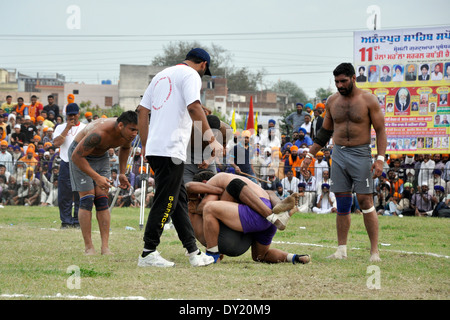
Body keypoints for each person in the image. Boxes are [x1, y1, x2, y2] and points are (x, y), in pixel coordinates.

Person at [136, 48, 224, 268]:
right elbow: (194, 106)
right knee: (165, 199)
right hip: (170, 148)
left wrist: (146, 144)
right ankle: (148, 252)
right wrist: (211, 139)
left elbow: (141, 111)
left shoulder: (160, 75)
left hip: (157, 147)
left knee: (178, 199)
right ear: (203, 64)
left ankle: (193, 252)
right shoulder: (191, 75)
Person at [301, 63, 387, 262]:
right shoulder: (332, 101)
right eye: (337, 82)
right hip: (338, 153)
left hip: (361, 153)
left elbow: (381, 130)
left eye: (343, 81)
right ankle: (341, 250)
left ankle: (374, 251)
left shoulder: (368, 100)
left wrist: (380, 159)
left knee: (366, 201)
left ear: (353, 78)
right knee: (342, 201)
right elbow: (324, 133)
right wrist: (309, 156)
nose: (339, 85)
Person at [185, 171, 307, 264]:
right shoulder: (229, 179)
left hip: (257, 214)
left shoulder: (214, 181)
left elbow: (203, 204)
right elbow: (269, 193)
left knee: (209, 208)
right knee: (260, 256)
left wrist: (199, 205)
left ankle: (212, 254)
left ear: (204, 183)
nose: (202, 196)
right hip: (267, 213)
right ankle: (295, 257)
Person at [69, 111, 138, 255]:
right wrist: (96, 177)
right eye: (132, 129)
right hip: (80, 155)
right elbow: (76, 156)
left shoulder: (127, 134)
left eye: (136, 130)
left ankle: (105, 247)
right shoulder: (99, 133)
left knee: (102, 199)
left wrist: (121, 173)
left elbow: (125, 148)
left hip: (101, 157)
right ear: (120, 125)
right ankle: (89, 247)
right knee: (87, 199)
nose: (134, 133)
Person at [52, 103, 87, 229]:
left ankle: (78, 222)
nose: (72, 117)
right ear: (66, 115)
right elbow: (56, 143)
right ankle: (66, 221)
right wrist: (67, 128)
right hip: (66, 163)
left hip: (80, 164)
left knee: (80, 194)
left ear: (78, 114)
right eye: (69, 115)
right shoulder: (60, 127)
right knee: (64, 195)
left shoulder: (85, 127)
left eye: (74, 114)